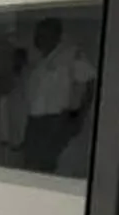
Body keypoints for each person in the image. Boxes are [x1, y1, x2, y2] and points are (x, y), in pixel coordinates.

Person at [21, 17, 97, 174]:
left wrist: (79, 116)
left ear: (57, 35)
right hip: (35, 121)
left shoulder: (70, 54)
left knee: (46, 166)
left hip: (55, 120)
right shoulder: (39, 63)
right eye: (38, 34)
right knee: (30, 167)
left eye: (45, 34)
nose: (40, 38)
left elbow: (91, 81)